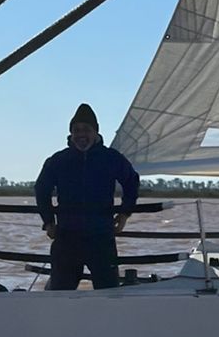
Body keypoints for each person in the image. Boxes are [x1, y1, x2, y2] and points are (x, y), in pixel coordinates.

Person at [34, 103, 140, 291]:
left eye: (86, 129)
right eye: (76, 130)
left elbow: (132, 181)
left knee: (109, 292)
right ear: (70, 133)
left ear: (96, 132)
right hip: (66, 237)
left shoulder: (111, 158)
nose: (81, 134)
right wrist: (48, 221)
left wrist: (124, 214)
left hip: (101, 236)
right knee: (60, 293)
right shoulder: (59, 160)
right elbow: (41, 188)